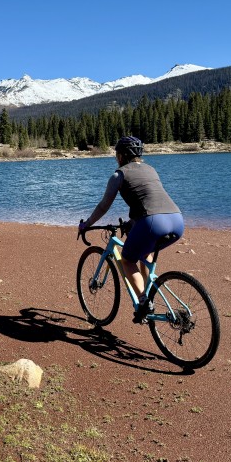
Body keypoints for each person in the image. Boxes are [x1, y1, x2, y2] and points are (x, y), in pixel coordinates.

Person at [79, 136, 184, 324]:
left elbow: (104, 206)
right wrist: (133, 223)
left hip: (152, 222)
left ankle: (144, 302)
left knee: (127, 260)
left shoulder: (119, 175)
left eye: (116, 154)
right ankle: (148, 296)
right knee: (146, 254)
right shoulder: (151, 170)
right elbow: (148, 199)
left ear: (120, 155)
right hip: (176, 220)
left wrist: (86, 224)